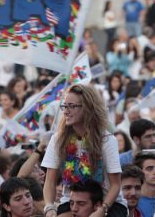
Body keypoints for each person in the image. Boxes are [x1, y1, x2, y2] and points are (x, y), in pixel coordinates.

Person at [42, 84, 127, 217]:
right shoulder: (58, 139)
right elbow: (50, 181)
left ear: (88, 108)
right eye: (65, 106)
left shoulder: (107, 140)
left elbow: (115, 185)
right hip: (72, 201)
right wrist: (49, 207)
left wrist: (102, 209)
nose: (66, 111)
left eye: (72, 106)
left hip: (107, 202)